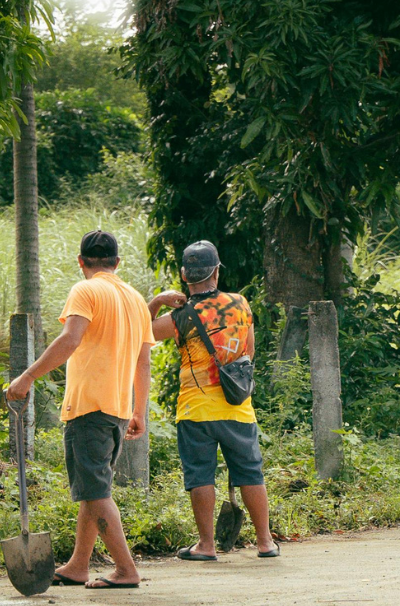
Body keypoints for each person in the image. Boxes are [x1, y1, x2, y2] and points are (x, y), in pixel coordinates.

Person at [6, 230, 154, 589]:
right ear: (117, 262)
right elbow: (143, 360)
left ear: (81, 261)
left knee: (96, 491)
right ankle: (78, 565)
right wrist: (139, 411)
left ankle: (125, 570)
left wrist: (26, 377)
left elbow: (70, 339)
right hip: (117, 408)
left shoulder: (85, 290)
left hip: (89, 405)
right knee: (93, 488)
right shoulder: (135, 299)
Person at [149, 240, 279, 560]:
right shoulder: (240, 303)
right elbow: (248, 353)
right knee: (250, 472)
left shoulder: (181, 316)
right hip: (237, 407)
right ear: (216, 271)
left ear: (184, 274)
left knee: (200, 476)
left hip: (195, 409)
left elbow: (142, 332)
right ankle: (265, 542)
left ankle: (206, 546)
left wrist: (156, 301)